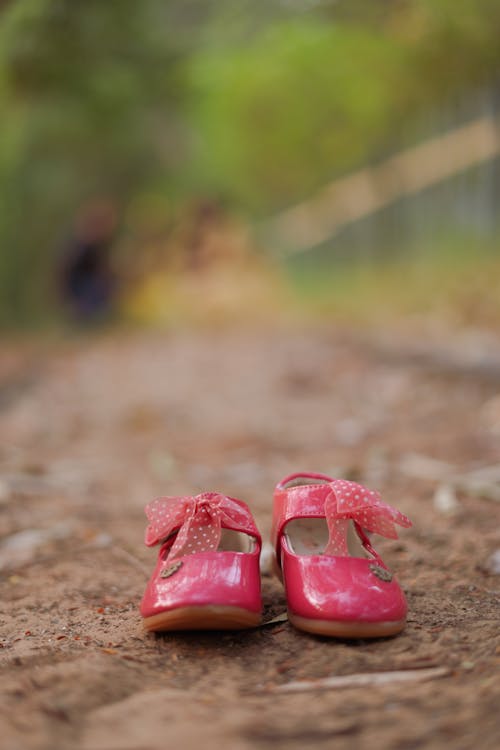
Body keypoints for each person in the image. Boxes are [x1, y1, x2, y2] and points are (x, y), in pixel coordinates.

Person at [59, 200, 118, 322]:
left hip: (84, 286)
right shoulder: (83, 244)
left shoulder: (92, 244)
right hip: (80, 288)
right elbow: (65, 269)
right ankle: (85, 316)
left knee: (107, 284)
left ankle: (92, 317)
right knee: (102, 285)